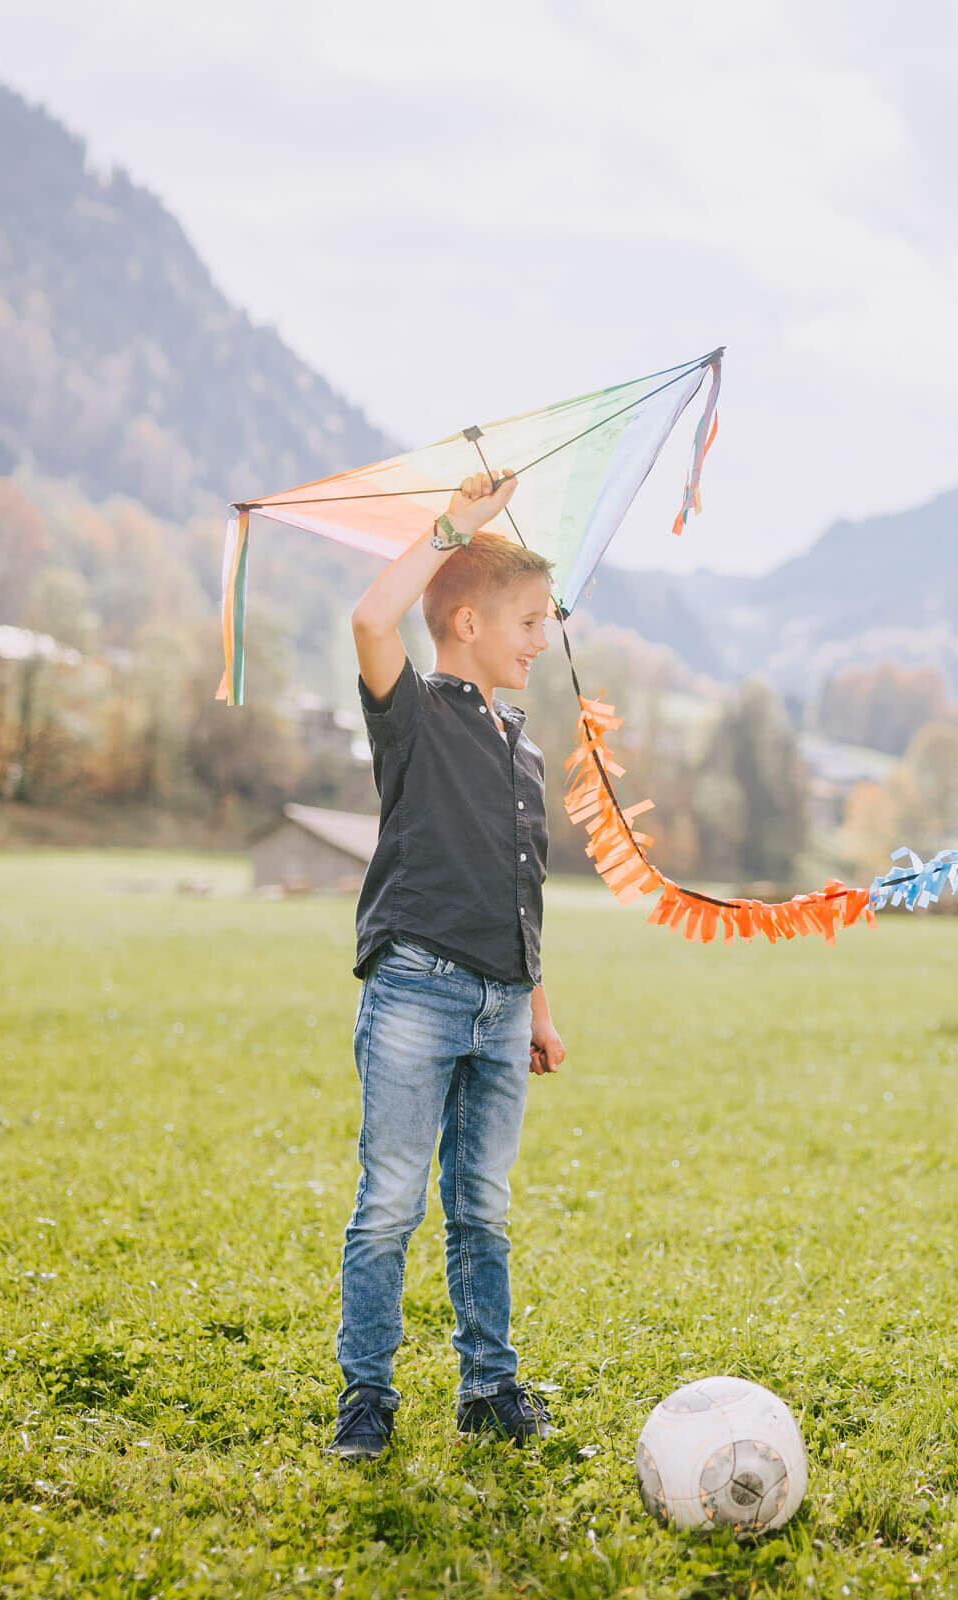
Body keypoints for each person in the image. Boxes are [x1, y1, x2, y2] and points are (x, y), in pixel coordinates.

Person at [328, 470, 568, 1460]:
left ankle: (489, 1386)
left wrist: (538, 1007)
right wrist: (455, 524)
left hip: (503, 1006)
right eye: (528, 618)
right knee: (391, 1198)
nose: (542, 636)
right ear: (466, 621)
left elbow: (524, 891)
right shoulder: (414, 716)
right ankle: (369, 1395)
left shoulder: (525, 752)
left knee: (482, 1204)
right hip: (417, 992)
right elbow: (371, 616)